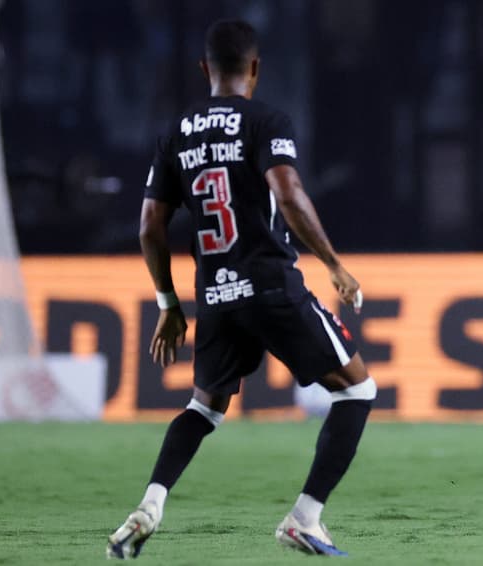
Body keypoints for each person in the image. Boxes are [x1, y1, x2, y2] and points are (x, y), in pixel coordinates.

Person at [107, 19, 376, 558]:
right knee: (356, 389)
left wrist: (168, 303)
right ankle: (305, 517)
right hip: (272, 286)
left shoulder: (176, 132)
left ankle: (149, 506)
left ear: (205, 69)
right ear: (254, 69)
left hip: (215, 297)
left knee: (203, 408)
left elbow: (148, 226)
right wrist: (334, 264)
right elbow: (291, 193)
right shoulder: (265, 120)